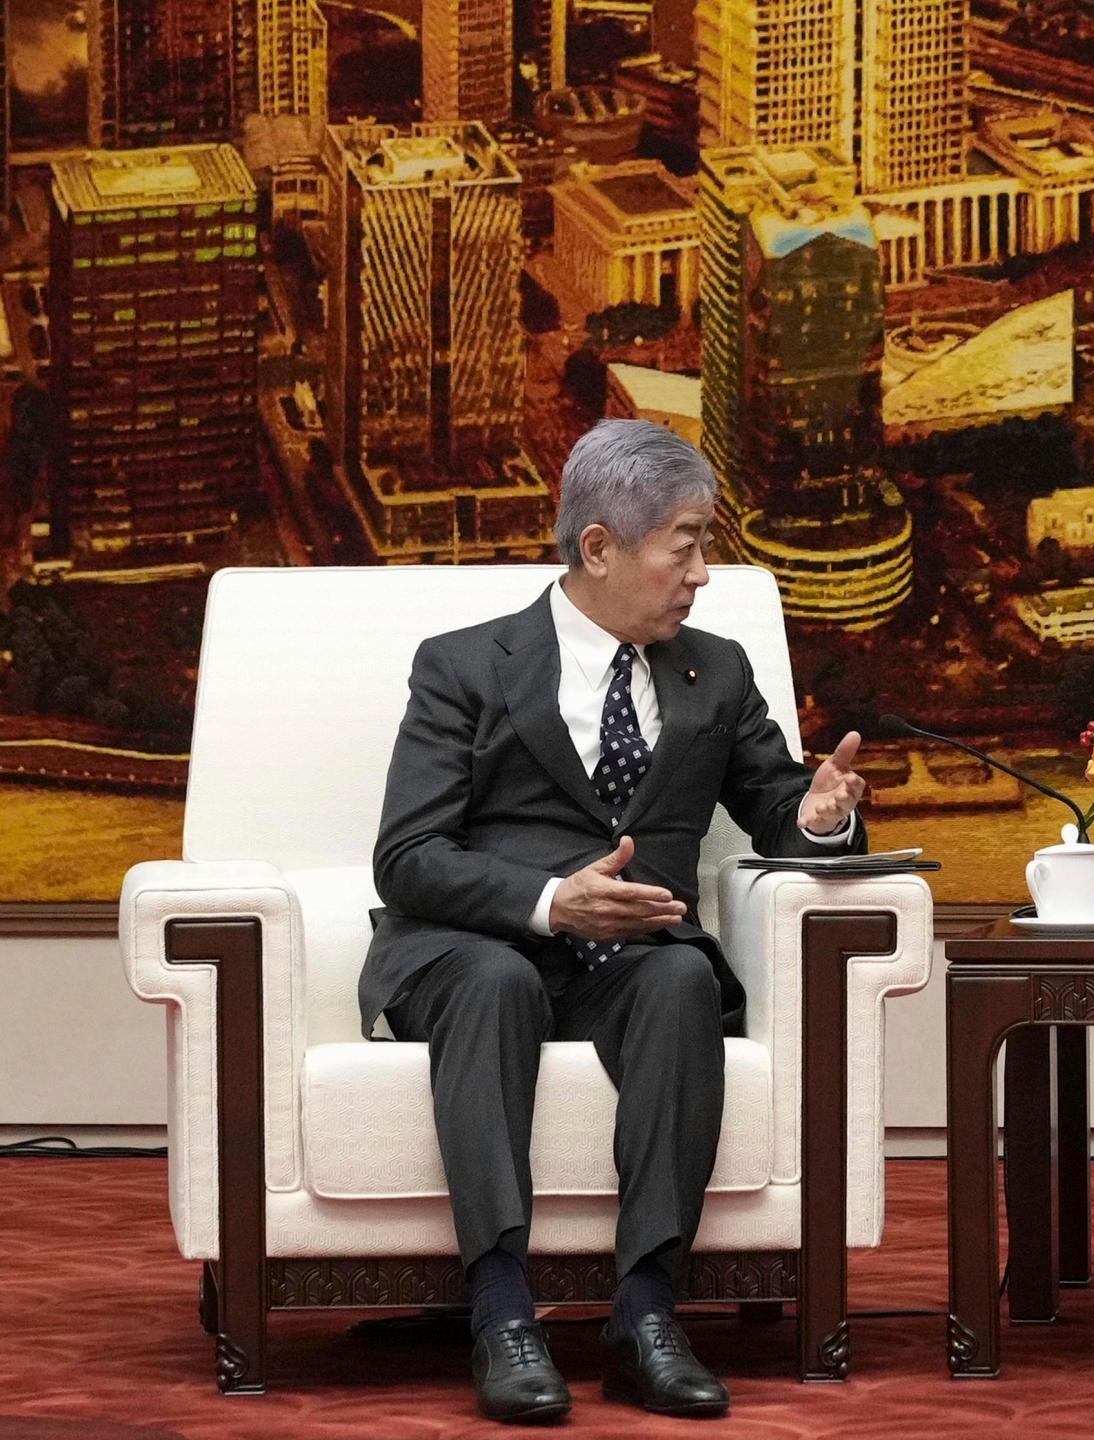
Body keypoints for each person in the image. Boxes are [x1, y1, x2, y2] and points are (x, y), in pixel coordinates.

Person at [359, 419, 871, 1423]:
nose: (704, 572)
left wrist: (820, 815)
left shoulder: (713, 673)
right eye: (685, 543)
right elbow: (408, 856)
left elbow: (777, 803)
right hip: (476, 949)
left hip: (627, 960)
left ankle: (645, 1317)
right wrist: (551, 902)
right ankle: (503, 1315)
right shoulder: (465, 667)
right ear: (600, 547)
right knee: (497, 980)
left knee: (683, 977)